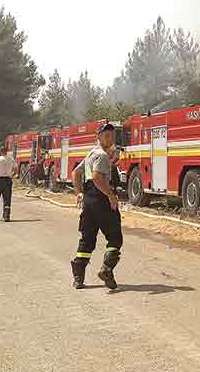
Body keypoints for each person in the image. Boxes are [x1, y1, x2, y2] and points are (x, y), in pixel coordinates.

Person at [70, 123, 123, 290]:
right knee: (115, 237)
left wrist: (79, 193)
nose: (111, 138)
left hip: (88, 201)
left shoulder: (91, 154)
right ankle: (107, 269)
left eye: (112, 135)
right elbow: (97, 178)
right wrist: (110, 196)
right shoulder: (101, 156)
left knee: (87, 240)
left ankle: (78, 279)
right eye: (107, 135)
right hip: (102, 200)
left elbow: (76, 173)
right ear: (98, 137)